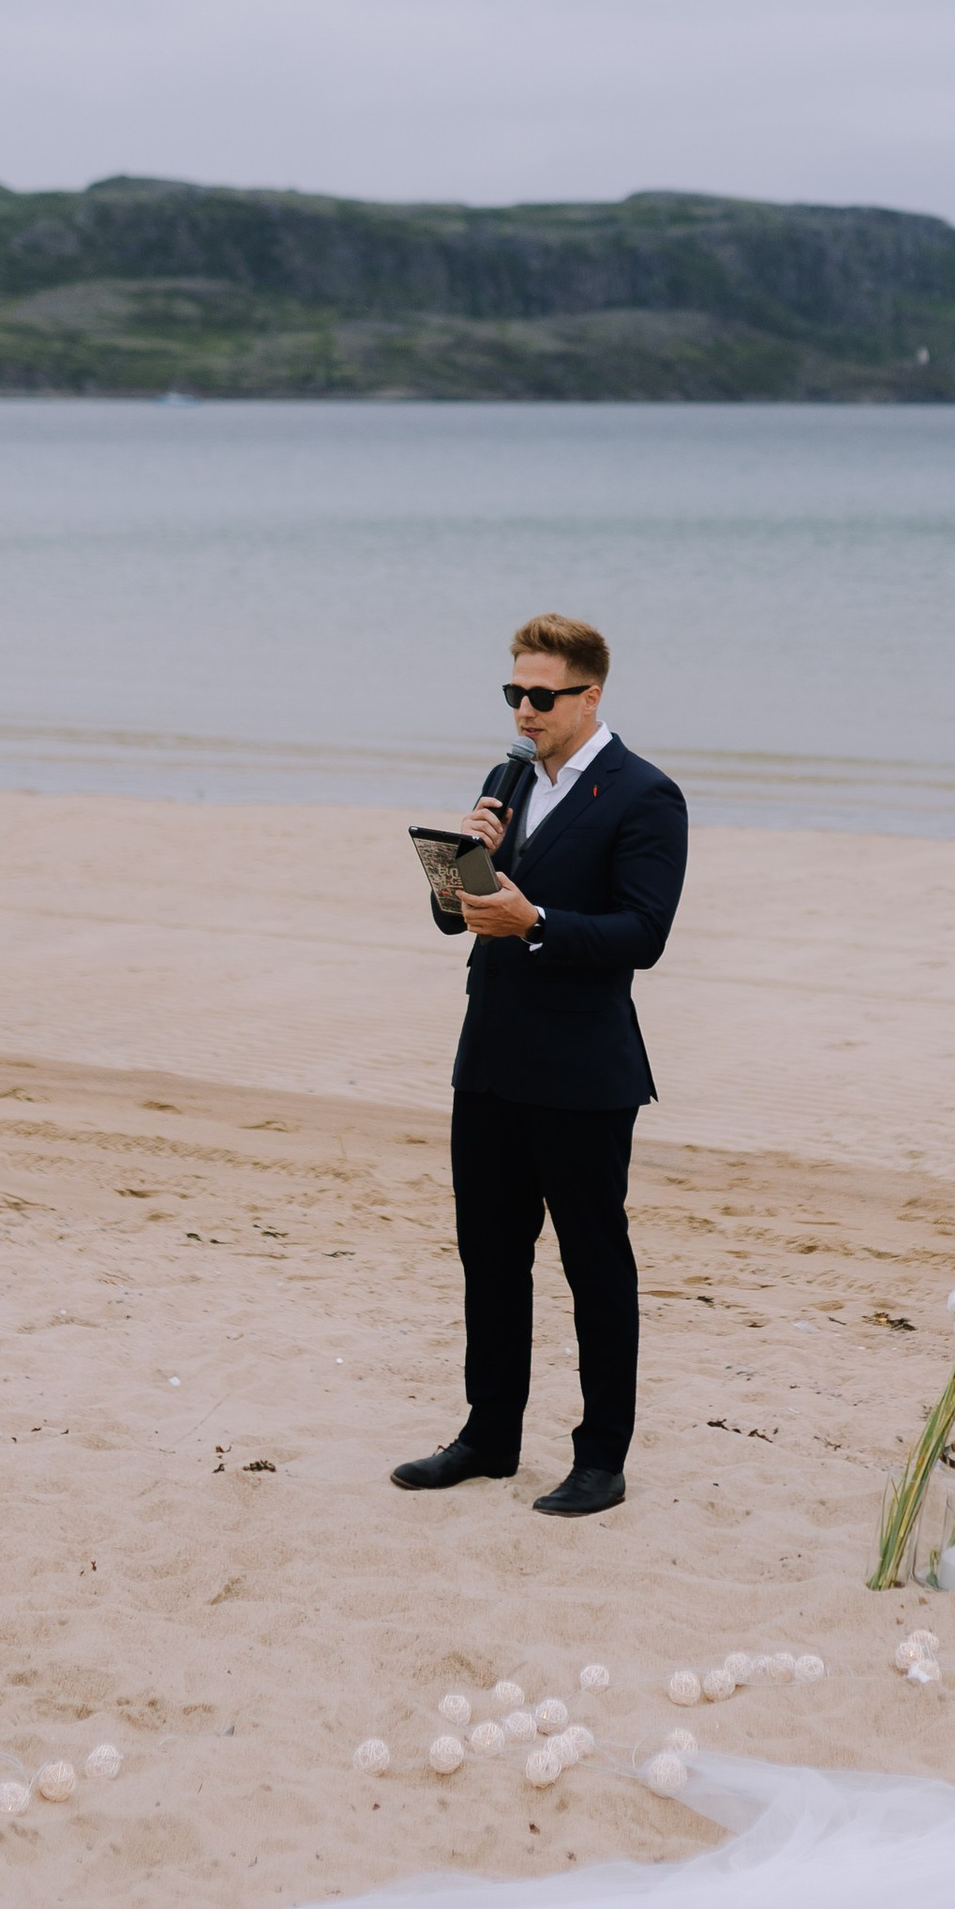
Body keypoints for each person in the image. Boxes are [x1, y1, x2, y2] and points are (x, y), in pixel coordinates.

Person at [390, 615, 687, 1518]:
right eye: (513, 693)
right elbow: (459, 920)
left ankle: (602, 1458)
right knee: (488, 1251)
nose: (524, 709)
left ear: (590, 696)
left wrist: (541, 922)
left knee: (595, 1263)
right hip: (489, 1057)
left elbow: (644, 934)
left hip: (583, 1069)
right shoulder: (504, 779)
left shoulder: (645, 796)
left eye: (541, 696)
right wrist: (460, 863)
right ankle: (490, 1435)